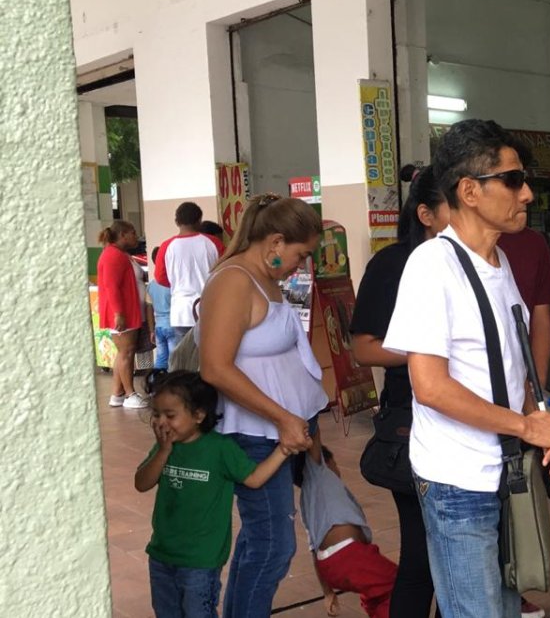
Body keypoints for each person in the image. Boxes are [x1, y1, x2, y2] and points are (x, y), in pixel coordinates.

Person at [382, 119, 550, 618]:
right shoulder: (431, 266)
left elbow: (512, 367)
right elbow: (430, 387)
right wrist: (524, 424)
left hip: (504, 470)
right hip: (456, 480)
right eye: (512, 180)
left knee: (506, 606)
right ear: (469, 190)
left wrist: (542, 426)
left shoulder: (500, 263)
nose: (527, 193)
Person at [197, 194, 326, 617]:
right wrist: (284, 417)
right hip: (253, 435)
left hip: (277, 434)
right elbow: (215, 367)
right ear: (274, 241)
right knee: (273, 545)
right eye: (300, 254)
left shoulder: (264, 279)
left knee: (260, 539)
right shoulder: (234, 280)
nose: (300, 265)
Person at [350, 166, 449, 618]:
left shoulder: (482, 261)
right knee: (422, 556)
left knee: (465, 559)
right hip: (412, 421)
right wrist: (426, 354)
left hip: (474, 424)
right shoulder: (392, 264)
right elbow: (363, 348)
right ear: (426, 213)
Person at [134, 370, 292, 618]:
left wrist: (283, 450)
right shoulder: (165, 447)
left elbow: (254, 478)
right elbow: (141, 483)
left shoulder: (220, 449)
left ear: (198, 414)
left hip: (201, 561)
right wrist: (163, 452)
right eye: (157, 414)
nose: (161, 422)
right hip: (162, 555)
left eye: (170, 415)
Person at [496, 191, 550, 618]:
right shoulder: (440, 255)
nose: (527, 196)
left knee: (517, 493)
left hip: (520, 398)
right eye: (513, 182)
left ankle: (514, 586)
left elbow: (540, 318)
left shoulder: (531, 244)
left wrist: (531, 390)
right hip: (471, 413)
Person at [298, 447, 397, 618]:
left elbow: (314, 549)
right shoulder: (319, 473)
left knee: (374, 591)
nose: (337, 468)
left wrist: (327, 592)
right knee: (399, 585)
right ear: (327, 462)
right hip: (348, 556)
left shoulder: (306, 501)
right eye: (335, 463)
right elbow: (314, 438)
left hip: (329, 565)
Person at [97, 220, 151, 409]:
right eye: (133, 233)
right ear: (123, 235)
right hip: (122, 313)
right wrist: (119, 313)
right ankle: (130, 394)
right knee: (126, 353)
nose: (136, 236)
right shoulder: (113, 255)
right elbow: (112, 286)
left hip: (129, 311)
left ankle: (117, 393)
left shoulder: (121, 255)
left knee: (124, 352)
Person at [155, 202, 224, 340]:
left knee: (185, 359)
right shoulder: (213, 243)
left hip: (180, 313)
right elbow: (226, 272)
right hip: (210, 309)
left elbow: (161, 278)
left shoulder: (166, 247)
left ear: (176, 222)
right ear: (199, 220)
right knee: (211, 357)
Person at [147, 246, 177, 370]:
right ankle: (172, 387)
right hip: (173, 326)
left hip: (158, 326)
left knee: (160, 360)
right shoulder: (172, 283)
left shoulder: (151, 285)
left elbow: (149, 308)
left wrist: (151, 330)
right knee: (174, 360)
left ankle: (155, 385)